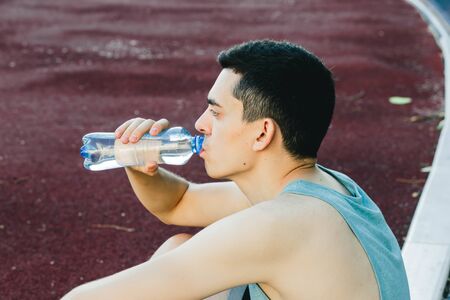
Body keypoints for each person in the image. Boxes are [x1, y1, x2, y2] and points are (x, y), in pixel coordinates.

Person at [63, 40, 410, 300]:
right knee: (177, 247)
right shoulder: (328, 189)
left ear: (262, 133)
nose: (199, 124)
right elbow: (178, 203)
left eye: (215, 113)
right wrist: (141, 166)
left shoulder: (277, 226)